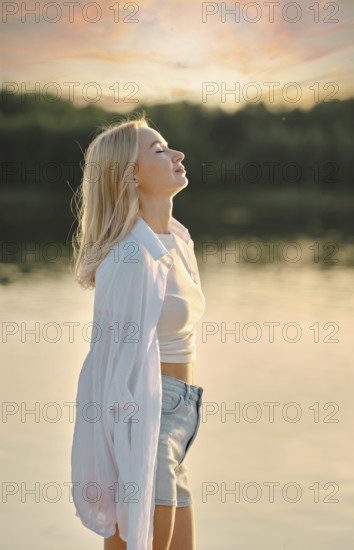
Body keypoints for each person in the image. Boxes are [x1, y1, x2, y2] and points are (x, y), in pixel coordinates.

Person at [70, 113, 206, 550]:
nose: (177, 154)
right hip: (149, 413)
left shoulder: (177, 241)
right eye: (160, 150)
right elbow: (110, 365)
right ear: (131, 175)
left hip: (182, 412)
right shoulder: (132, 255)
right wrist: (127, 443)